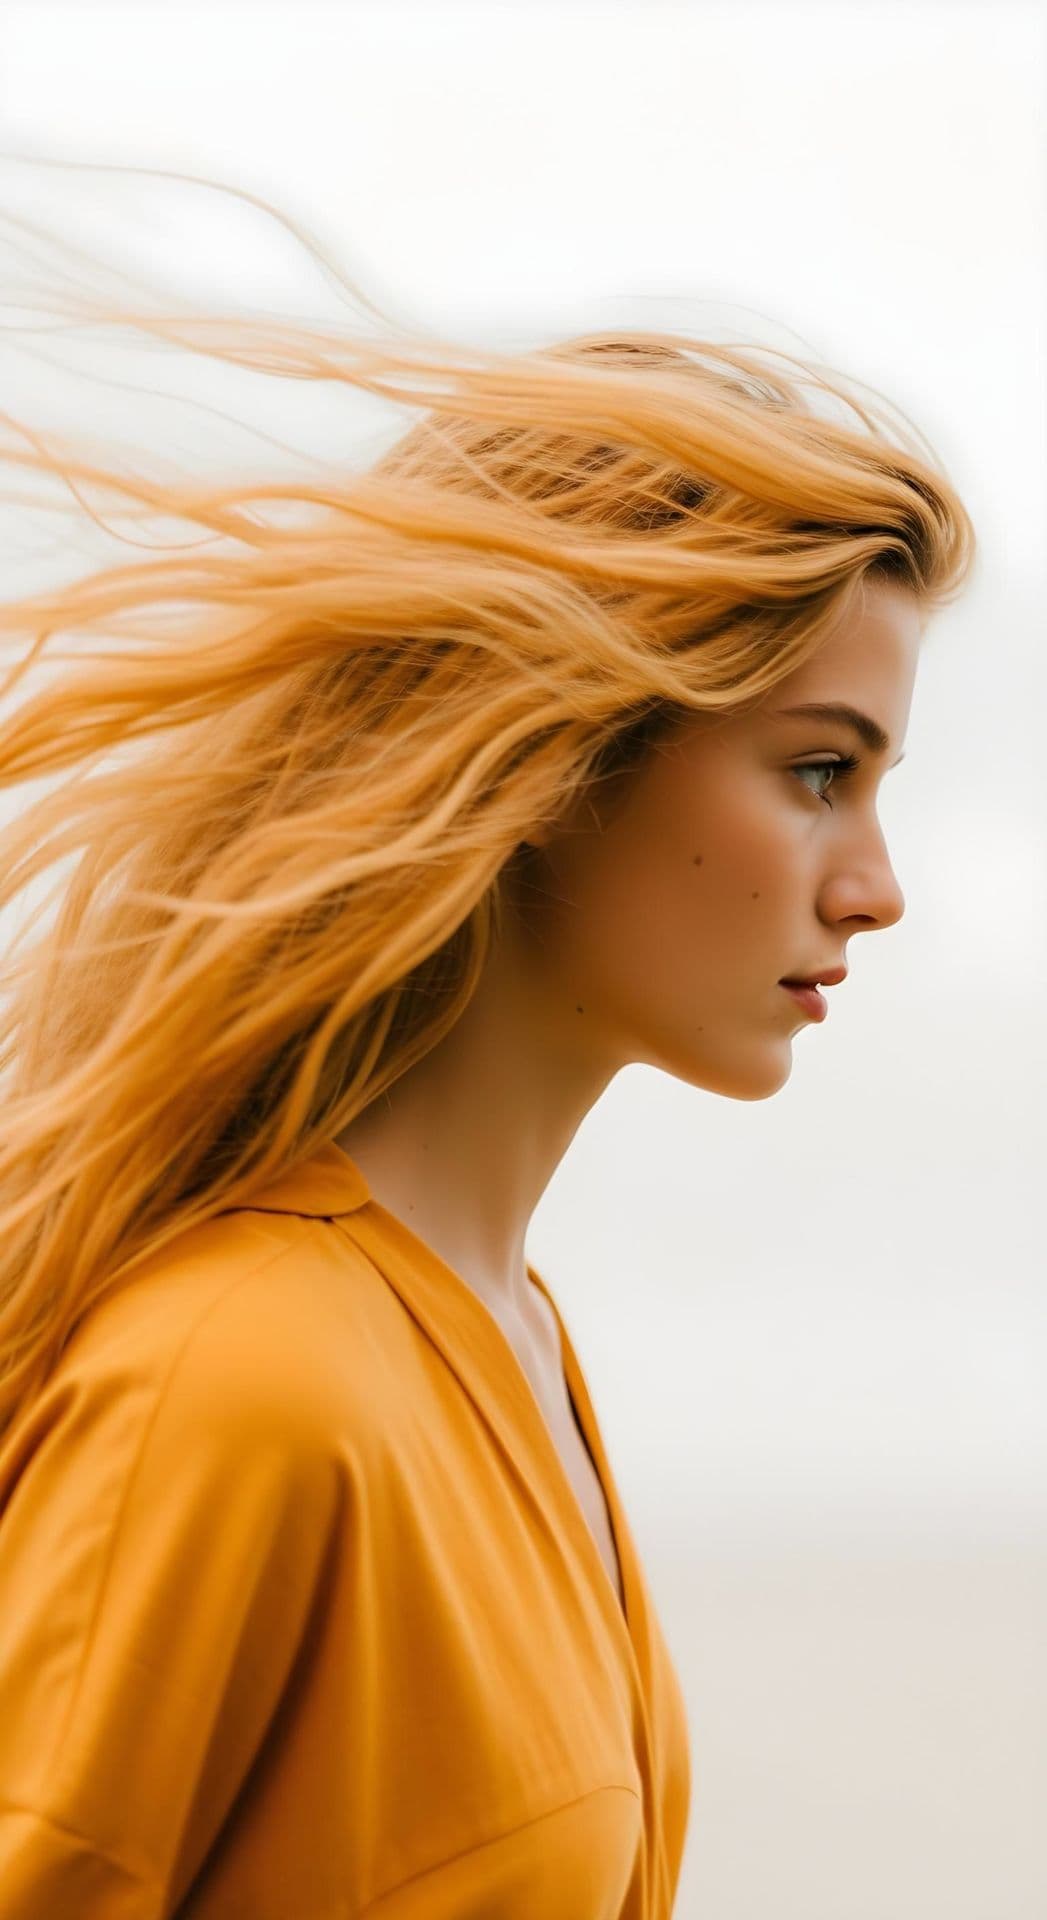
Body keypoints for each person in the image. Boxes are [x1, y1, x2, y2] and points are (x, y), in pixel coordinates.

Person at [0, 165, 975, 1919]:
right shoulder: (241, 1383)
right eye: (819, 771)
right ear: (562, 752)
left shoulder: (508, 1337)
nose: (876, 889)